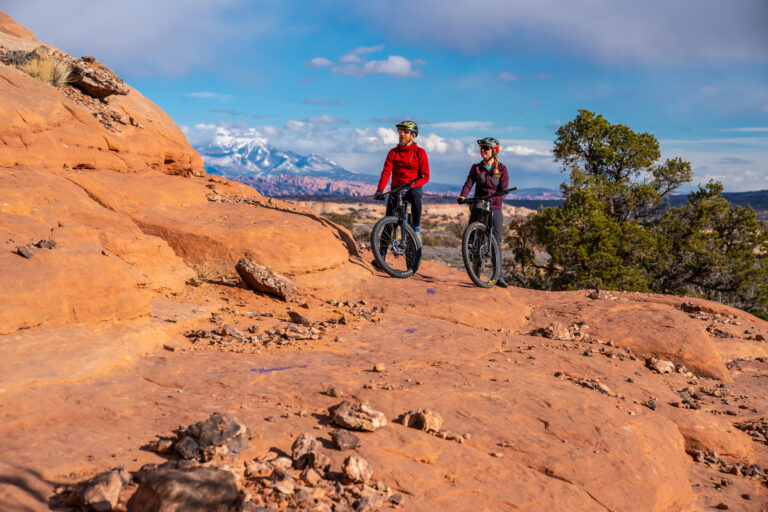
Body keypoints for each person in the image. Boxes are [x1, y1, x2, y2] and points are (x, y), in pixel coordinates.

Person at [457, 137, 510, 288]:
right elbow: (469, 183)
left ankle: (498, 277)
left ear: (494, 151)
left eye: (486, 148)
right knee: (477, 208)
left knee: (497, 240)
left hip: (495, 205)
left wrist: (497, 198)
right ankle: (471, 237)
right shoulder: (476, 167)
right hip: (480, 201)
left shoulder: (502, 169)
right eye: (481, 148)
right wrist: (463, 196)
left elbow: (503, 188)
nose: (482, 151)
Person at [373, 120, 430, 241]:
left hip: (412, 188)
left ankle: (416, 227)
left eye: (406, 131)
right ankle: (381, 256)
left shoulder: (420, 152)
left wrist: (413, 185)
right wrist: (380, 190)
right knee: (388, 221)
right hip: (396, 189)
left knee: (416, 195)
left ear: (413, 135)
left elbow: (425, 176)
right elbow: (386, 171)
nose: (402, 134)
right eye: (400, 131)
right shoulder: (393, 152)